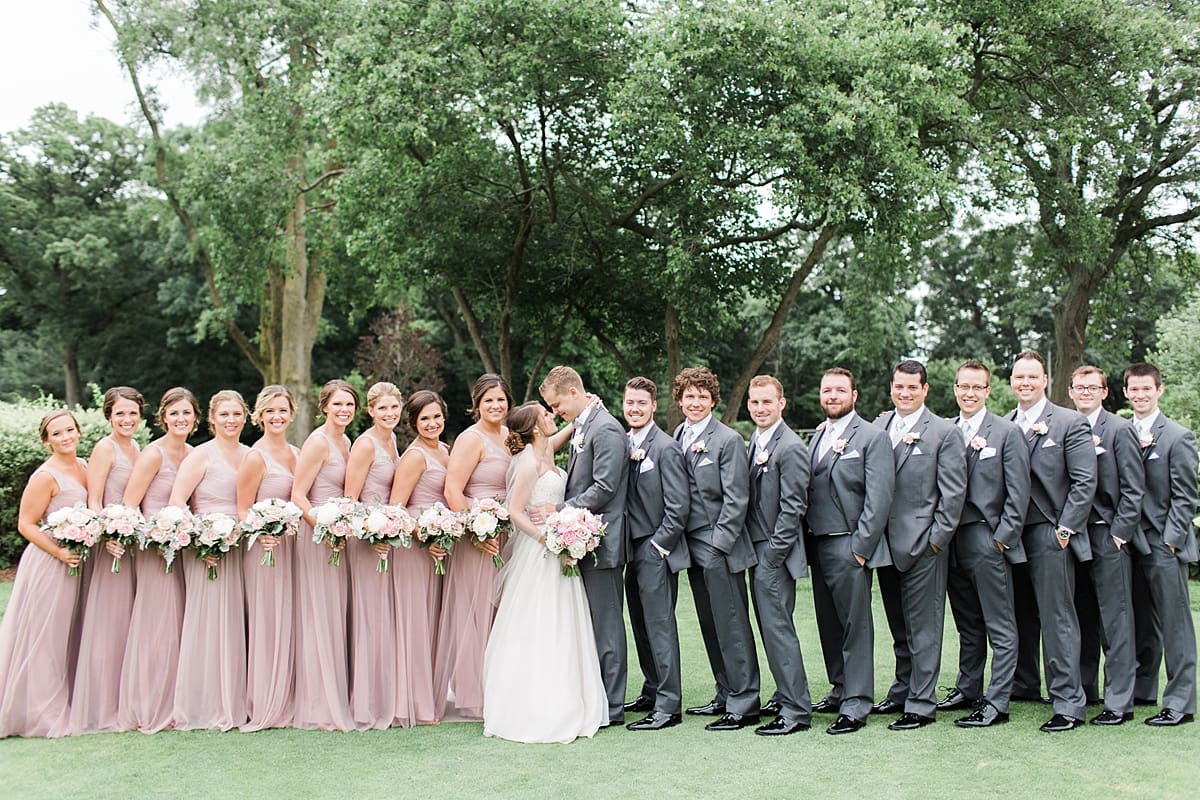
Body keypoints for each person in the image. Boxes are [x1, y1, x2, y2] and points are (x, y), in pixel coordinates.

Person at [481, 402, 606, 743]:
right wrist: (545, 539)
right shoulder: (527, 463)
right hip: (540, 550)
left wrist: (588, 410)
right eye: (547, 415)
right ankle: (531, 703)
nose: (553, 416)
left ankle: (569, 694)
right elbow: (514, 511)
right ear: (536, 427)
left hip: (559, 546)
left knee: (564, 619)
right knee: (538, 619)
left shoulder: (545, 448)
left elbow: (568, 431)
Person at [872, 361, 966, 730]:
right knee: (899, 626)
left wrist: (936, 542)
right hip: (884, 546)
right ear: (891, 388)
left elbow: (953, 495)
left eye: (913, 387)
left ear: (925, 389)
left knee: (924, 629)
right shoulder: (880, 425)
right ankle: (901, 691)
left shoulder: (943, 432)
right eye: (899, 386)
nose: (905, 393)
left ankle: (922, 703)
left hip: (924, 546)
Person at [1007, 350, 1096, 732]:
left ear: (1044, 380)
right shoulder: (1004, 424)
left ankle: (1069, 703)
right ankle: (1024, 684)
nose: (1025, 383)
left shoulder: (1069, 422)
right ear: (1011, 381)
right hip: (1012, 535)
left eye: (1032, 376)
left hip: (1049, 533)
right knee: (1020, 615)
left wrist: (1064, 530)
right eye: (1019, 377)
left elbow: (1084, 481)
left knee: (1057, 618)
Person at [938, 361, 1029, 728]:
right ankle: (968, 689)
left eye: (977, 387)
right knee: (968, 622)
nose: (970, 393)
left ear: (988, 391)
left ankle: (997, 701)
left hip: (986, 537)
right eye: (964, 386)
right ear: (955, 389)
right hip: (951, 541)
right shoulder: (945, 430)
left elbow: (1018, 494)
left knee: (1000, 624)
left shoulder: (1007, 432)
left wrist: (1001, 540)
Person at [538, 365, 630, 727]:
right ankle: (598, 697)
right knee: (593, 623)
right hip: (584, 540)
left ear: (574, 392)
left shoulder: (605, 428)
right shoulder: (584, 425)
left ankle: (613, 705)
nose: (556, 411)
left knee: (607, 625)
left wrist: (561, 510)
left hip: (603, 541)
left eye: (557, 404)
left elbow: (605, 487)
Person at [806, 367, 894, 735]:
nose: (833, 396)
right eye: (827, 390)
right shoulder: (817, 436)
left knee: (855, 625)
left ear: (854, 396)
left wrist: (861, 548)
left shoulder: (872, 437)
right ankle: (840, 688)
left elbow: (879, 497)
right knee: (828, 622)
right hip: (817, 543)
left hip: (849, 543)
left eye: (840, 390)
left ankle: (857, 702)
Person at [673, 366, 760, 732]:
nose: (696, 402)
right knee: (710, 623)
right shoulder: (679, 434)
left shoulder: (727, 439)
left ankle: (745, 702)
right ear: (679, 400)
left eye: (702, 396)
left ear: (713, 400)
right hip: (691, 546)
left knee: (732, 624)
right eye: (689, 396)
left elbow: (737, 499)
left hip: (718, 545)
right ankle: (725, 692)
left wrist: (718, 546)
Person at [0, 410, 87, 738]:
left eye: (69, 430)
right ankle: (40, 712)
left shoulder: (85, 467)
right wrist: (59, 552)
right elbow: (26, 524)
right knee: (45, 635)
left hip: (78, 562)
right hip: (50, 562)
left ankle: (67, 699)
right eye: (57, 433)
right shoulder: (45, 476)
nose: (65, 437)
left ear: (78, 432)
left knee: (67, 633)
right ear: (47, 441)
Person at [168, 390, 250, 731]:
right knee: (209, 621)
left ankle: (237, 699)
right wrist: (203, 540)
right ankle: (205, 704)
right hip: (207, 552)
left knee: (237, 621)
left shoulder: (250, 455)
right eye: (224, 414)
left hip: (241, 547)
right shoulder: (200, 456)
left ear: (245, 418)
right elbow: (176, 503)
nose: (231, 420)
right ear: (212, 419)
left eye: (237, 414)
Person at [118, 387, 197, 733]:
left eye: (186, 413)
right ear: (163, 417)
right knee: (158, 624)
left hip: (186, 549)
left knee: (181, 623)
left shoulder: (194, 454)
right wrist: (157, 534)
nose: (181, 419)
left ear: (195, 418)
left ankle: (180, 701)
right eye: (174, 413)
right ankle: (150, 704)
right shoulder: (153, 454)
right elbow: (129, 505)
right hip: (154, 549)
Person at [1068, 366, 1144, 725]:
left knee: (1115, 619)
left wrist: (1119, 534)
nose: (1085, 392)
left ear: (1104, 392)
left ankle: (1119, 702)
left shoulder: (1119, 429)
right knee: (1081, 616)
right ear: (1070, 392)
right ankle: (1085, 690)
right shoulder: (1066, 426)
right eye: (1079, 387)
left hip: (1106, 533)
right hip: (1074, 535)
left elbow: (1133, 487)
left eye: (1092, 387)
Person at [434, 374, 513, 721]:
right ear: (477, 405)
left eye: (500, 399)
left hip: (506, 537)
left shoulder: (510, 436)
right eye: (488, 400)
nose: (495, 405)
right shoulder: (470, 439)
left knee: (500, 614)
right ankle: (473, 693)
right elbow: (453, 490)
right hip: (478, 538)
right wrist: (477, 531)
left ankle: (499, 686)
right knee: (476, 613)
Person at [1123, 362, 1197, 726]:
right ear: (1126, 393)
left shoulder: (1178, 437)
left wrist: (1171, 541)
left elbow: (1186, 497)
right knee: (1142, 622)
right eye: (1134, 389)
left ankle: (1180, 703)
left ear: (1159, 390)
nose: (1140, 395)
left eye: (1146, 389)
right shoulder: (1122, 432)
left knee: (1174, 625)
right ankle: (1143, 689)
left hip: (1164, 543)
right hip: (1131, 543)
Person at [70, 386, 145, 734]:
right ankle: (100, 704)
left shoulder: (138, 448)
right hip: (111, 545)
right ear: (109, 416)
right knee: (108, 622)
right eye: (120, 414)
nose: (127, 419)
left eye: (132, 413)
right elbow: (94, 500)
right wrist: (109, 534)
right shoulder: (105, 448)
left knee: (128, 621)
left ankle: (126, 697)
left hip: (132, 543)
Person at [743, 375, 814, 736]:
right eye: (755, 402)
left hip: (774, 554)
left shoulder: (790, 447)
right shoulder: (756, 442)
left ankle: (796, 711)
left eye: (767, 402)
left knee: (778, 631)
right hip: (756, 551)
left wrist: (772, 555)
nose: (760, 408)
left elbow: (793, 507)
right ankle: (784, 696)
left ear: (781, 403)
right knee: (770, 630)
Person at [621, 377, 690, 732]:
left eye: (641, 403)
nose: (634, 409)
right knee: (641, 624)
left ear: (653, 406)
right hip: (629, 549)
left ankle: (669, 704)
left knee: (660, 626)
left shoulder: (665, 447)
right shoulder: (623, 442)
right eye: (630, 402)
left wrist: (659, 546)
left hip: (654, 549)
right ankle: (651, 690)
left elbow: (679, 506)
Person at [290, 379, 359, 731]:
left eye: (349, 405)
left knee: (335, 612)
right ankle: (319, 703)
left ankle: (337, 692)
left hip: (338, 534)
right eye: (338, 404)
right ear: (324, 407)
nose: (344, 410)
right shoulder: (317, 442)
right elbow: (298, 495)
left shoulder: (346, 441)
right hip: (317, 535)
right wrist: (324, 528)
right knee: (319, 613)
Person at [236, 385, 300, 732]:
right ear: (259, 416)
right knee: (268, 620)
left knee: (289, 620)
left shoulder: (297, 452)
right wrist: (261, 532)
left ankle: (290, 696)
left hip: (292, 549)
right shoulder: (255, 457)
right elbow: (243, 508)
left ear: (291, 414)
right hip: (266, 550)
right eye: (270, 411)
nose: (277, 417)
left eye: (282, 410)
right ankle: (265, 702)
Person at [388, 390, 449, 727]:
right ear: (413, 423)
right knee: (413, 623)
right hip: (415, 549)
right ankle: (411, 703)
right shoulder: (414, 456)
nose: (432, 423)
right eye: (424, 419)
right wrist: (424, 537)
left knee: (430, 622)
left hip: (438, 546)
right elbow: (397, 507)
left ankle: (429, 697)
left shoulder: (445, 450)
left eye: (436, 416)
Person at [344, 381, 402, 730]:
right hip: (367, 540)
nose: (389, 413)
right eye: (382, 408)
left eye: (394, 407)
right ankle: (366, 703)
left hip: (386, 535)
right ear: (370, 411)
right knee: (369, 616)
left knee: (383, 616)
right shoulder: (365, 445)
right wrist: (371, 534)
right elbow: (351, 499)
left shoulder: (392, 441)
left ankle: (384, 695)